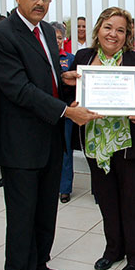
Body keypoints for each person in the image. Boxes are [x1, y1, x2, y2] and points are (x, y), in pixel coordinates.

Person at [0, 0, 99, 270]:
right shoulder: (1, 35)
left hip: (50, 138)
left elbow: (45, 80)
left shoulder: (48, 31)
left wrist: (67, 82)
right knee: (22, 217)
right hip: (21, 144)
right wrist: (65, 111)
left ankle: (39, 266)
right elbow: (18, 88)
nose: (40, 3)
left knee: (45, 213)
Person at [65, 7, 135, 270]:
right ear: (98, 29)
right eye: (109, 27)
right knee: (107, 201)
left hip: (130, 144)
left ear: (127, 36)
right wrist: (72, 105)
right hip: (96, 145)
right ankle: (113, 250)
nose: (113, 34)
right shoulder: (83, 58)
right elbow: (69, 95)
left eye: (121, 30)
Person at [50, 21, 75, 203]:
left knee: (66, 150)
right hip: (47, 112)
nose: (57, 41)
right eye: (53, 37)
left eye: (59, 37)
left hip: (67, 111)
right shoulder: (41, 58)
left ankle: (64, 188)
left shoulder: (70, 58)